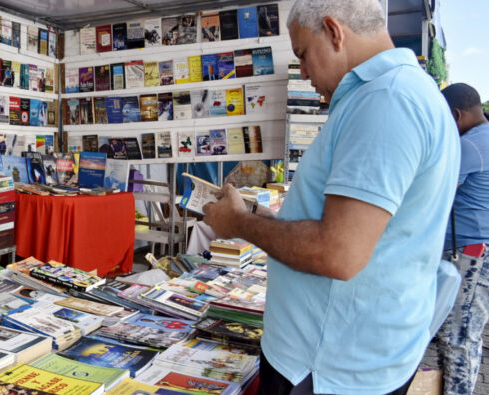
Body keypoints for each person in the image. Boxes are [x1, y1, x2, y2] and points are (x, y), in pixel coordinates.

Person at [202, 0, 459, 393]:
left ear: (334, 31)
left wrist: (239, 224)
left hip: (326, 369)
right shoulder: (397, 93)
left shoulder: (386, 101)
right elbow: (343, 229)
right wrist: (258, 219)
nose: (303, 73)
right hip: (350, 357)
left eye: (304, 55)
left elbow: (336, 252)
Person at [437, 82, 489, 395]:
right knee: (469, 336)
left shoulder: (470, 146)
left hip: (470, 255)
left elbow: (434, 191)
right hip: (478, 253)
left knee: (457, 337)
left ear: (456, 115)